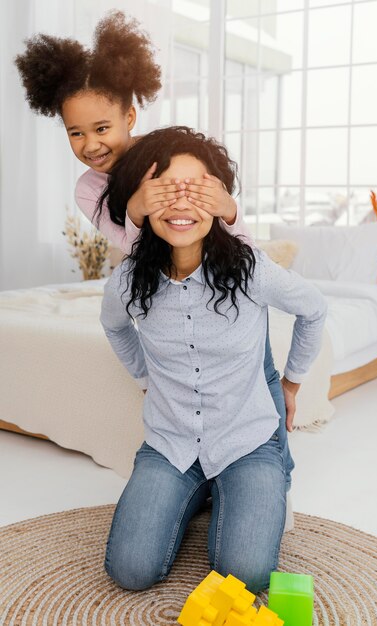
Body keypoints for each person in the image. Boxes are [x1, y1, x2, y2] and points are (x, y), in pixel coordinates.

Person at [15, 10, 295, 506]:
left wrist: (228, 208)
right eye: (75, 133)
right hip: (167, 294)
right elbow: (139, 254)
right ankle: (194, 480)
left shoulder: (170, 155)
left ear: (129, 116)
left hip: (229, 290)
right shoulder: (90, 190)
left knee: (262, 379)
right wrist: (139, 214)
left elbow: (232, 240)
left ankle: (273, 477)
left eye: (101, 127)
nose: (90, 144)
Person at [99, 126, 327, 593]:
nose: (182, 204)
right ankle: (199, 488)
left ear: (220, 199)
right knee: (130, 570)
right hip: (171, 444)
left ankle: (265, 480)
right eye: (165, 190)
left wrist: (291, 384)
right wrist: (144, 376)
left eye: (197, 189)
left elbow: (314, 308)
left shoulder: (250, 268)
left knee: (244, 575)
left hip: (247, 441)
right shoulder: (127, 282)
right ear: (140, 204)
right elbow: (114, 326)